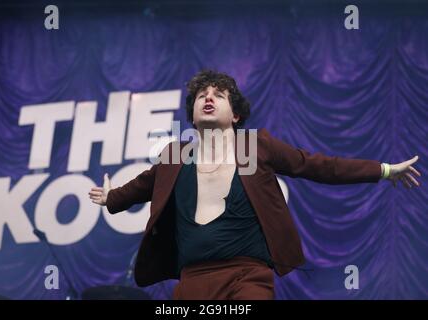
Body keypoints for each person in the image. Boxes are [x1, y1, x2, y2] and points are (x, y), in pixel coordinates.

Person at [88, 70, 421, 300]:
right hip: (190, 281)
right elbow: (140, 186)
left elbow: (319, 166)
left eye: (219, 95)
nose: (208, 98)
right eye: (202, 95)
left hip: (246, 276)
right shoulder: (175, 156)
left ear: (235, 115)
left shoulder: (256, 145)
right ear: (191, 116)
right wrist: (110, 197)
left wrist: (385, 170)